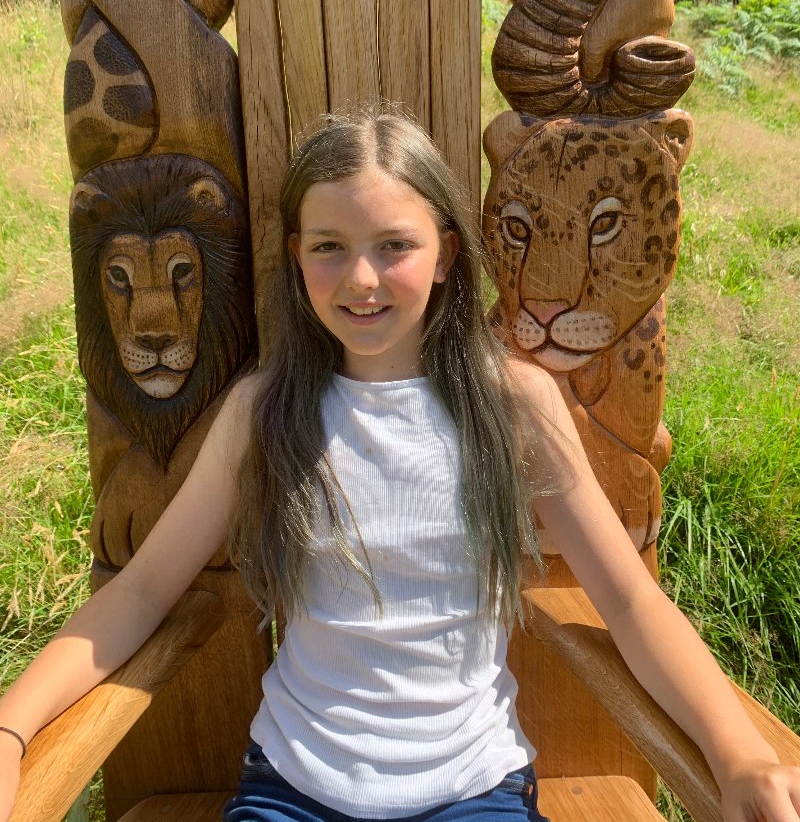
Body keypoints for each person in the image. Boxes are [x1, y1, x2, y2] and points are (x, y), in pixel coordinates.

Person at [0, 108, 799, 822]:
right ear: (296, 255)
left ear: (446, 253)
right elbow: (140, 590)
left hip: (472, 787)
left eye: (395, 246)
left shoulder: (510, 401)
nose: (361, 278)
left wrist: (738, 752)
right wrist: (11, 725)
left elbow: (627, 597)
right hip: (293, 787)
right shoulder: (264, 412)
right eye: (330, 248)